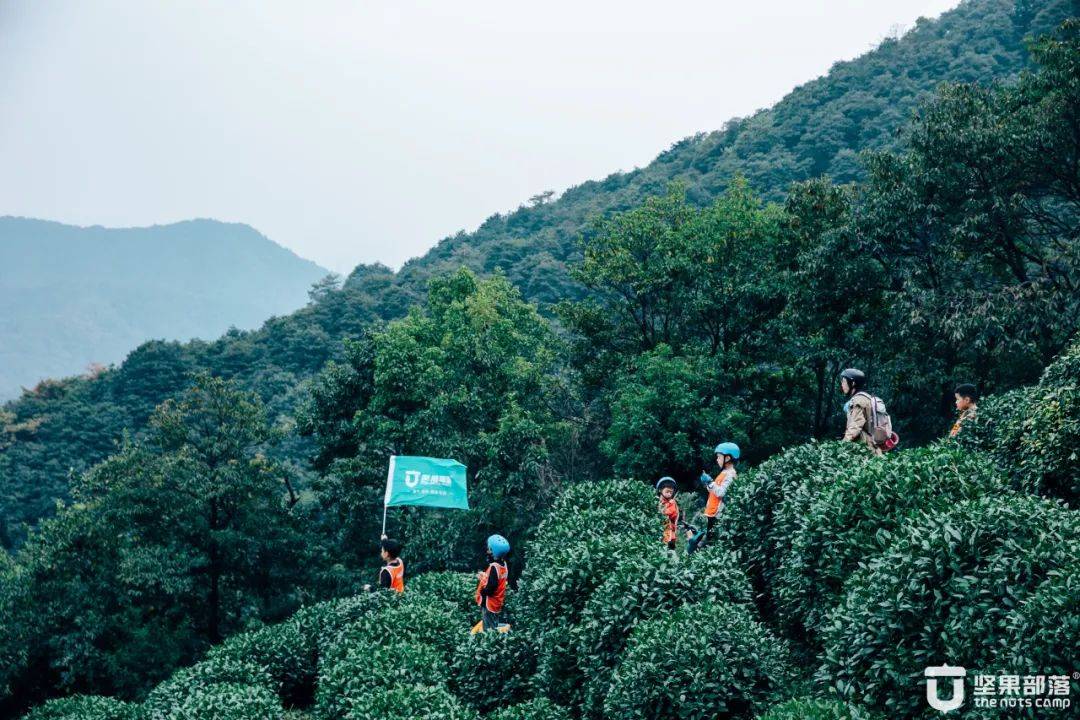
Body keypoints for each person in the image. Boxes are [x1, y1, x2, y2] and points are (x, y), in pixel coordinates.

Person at [697, 442, 740, 548]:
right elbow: (715, 490)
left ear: (728, 458)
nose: (717, 460)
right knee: (708, 539)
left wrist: (710, 482)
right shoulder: (724, 472)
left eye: (719, 457)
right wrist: (707, 484)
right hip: (713, 512)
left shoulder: (731, 474)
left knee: (711, 543)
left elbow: (721, 492)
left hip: (718, 514)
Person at [839, 368, 883, 455]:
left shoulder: (858, 401)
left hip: (865, 450)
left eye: (844, 381)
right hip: (873, 447)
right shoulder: (866, 397)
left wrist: (841, 446)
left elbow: (855, 426)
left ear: (853, 383)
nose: (842, 385)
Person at [476, 534, 510, 631]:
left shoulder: (494, 567)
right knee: (492, 622)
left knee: (489, 629)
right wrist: (484, 576)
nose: (487, 551)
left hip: (489, 604)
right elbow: (498, 580)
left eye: (490, 549)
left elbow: (491, 588)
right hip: (497, 603)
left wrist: (482, 591)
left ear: (494, 552)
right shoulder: (504, 565)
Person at [656, 476, 680, 551]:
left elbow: (673, 514)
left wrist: (662, 511)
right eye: (667, 492)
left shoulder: (672, 502)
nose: (669, 494)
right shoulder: (657, 502)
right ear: (660, 490)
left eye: (671, 492)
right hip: (659, 531)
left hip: (669, 533)